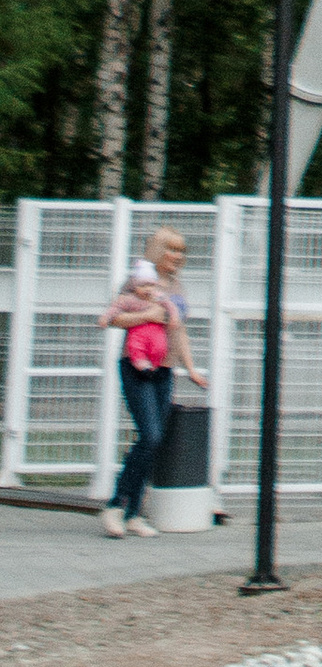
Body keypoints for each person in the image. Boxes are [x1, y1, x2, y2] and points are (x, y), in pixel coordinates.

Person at [97, 229, 204, 537]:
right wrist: (151, 315)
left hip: (164, 369)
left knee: (154, 440)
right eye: (172, 250)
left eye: (181, 251)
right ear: (158, 250)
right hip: (136, 367)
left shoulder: (177, 286)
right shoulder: (138, 280)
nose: (178, 257)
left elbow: (179, 331)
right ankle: (116, 506)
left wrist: (191, 369)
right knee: (150, 434)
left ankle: (133, 514)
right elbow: (116, 317)